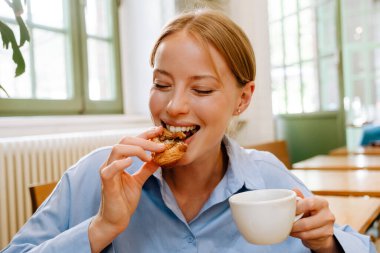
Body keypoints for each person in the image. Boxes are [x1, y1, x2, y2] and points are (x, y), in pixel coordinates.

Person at [1, 9, 376, 253]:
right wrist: (101, 228)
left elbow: (357, 244)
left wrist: (328, 244)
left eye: (201, 89)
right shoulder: (98, 175)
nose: (174, 106)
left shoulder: (268, 179)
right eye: (162, 84)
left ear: (243, 99)